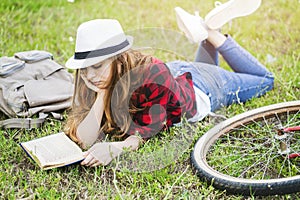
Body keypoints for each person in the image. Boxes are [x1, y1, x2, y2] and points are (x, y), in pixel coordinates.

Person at [64, 0, 274, 167]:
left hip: (203, 88)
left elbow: (147, 129)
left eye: (97, 66)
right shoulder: (94, 79)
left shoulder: (150, 74)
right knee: (195, 67)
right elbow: (85, 139)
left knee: (266, 80)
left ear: (119, 60)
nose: (90, 75)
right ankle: (207, 29)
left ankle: (212, 33)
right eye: (84, 68)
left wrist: (115, 149)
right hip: (175, 75)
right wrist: (102, 94)